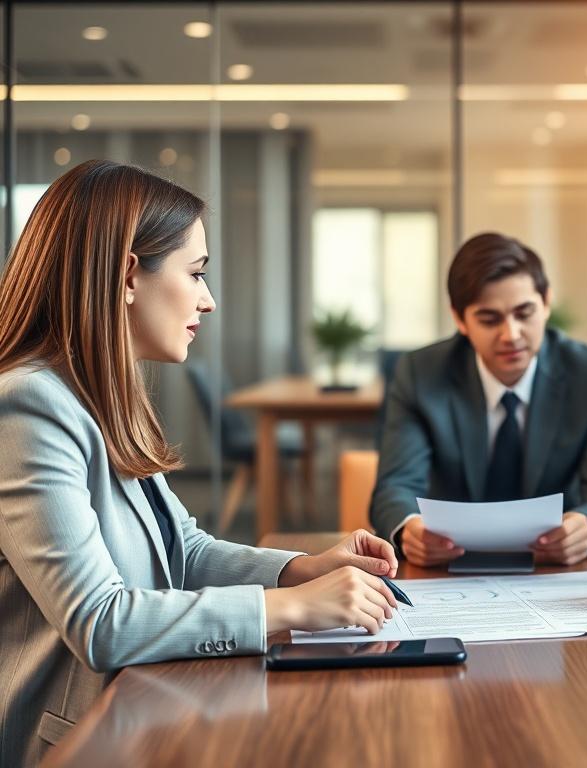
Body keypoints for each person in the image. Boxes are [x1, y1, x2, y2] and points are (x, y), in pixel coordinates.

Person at [0, 160, 401, 766]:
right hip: (81, 740)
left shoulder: (101, 395)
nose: (207, 300)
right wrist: (292, 609)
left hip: (148, 707)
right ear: (128, 275)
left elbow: (180, 551)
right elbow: (99, 621)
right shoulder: (29, 406)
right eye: (195, 273)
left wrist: (300, 570)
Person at [370, 232, 587, 567]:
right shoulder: (421, 374)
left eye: (525, 313)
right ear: (460, 319)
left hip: (556, 568)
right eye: (489, 319)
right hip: (448, 568)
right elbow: (395, 486)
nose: (511, 334)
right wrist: (410, 528)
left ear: (547, 302)